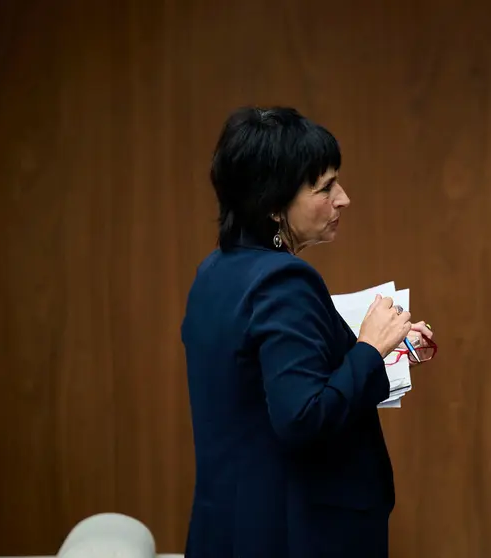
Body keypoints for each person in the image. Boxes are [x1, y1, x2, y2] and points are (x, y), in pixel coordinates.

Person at [180, 106, 435, 557]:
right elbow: (303, 418)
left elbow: (264, 388)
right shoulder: (285, 281)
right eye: (325, 187)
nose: (343, 199)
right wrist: (369, 348)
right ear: (274, 205)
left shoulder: (215, 270)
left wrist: (385, 351)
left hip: (232, 524)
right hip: (294, 532)